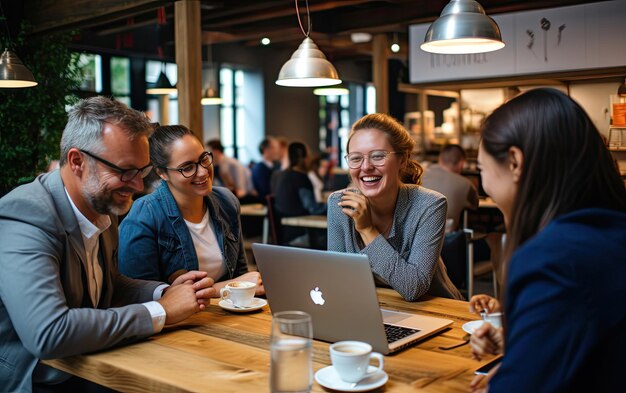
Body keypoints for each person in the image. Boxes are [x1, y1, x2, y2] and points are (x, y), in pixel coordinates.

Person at [0, 97, 214, 392]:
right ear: (77, 161)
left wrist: (165, 291)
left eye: (143, 171)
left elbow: (107, 284)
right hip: (38, 380)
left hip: (91, 366)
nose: (138, 185)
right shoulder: (26, 215)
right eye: (125, 171)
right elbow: (48, 333)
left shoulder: (102, 203)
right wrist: (161, 310)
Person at [468, 88, 626, 393]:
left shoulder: (552, 258)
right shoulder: (608, 234)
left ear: (514, 162)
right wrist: (522, 352)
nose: (485, 185)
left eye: (482, 170)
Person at [327, 113, 461, 302]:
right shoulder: (338, 204)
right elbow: (337, 278)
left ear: (403, 159)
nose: (366, 167)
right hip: (374, 308)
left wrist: (367, 229)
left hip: (435, 311)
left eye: (378, 156)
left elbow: (414, 288)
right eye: (356, 158)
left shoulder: (430, 205)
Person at [119, 125, 263, 296]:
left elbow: (240, 275)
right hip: (177, 321)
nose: (202, 172)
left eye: (203, 159)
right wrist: (223, 288)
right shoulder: (145, 214)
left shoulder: (226, 201)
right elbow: (138, 295)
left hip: (227, 317)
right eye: (187, 167)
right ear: (162, 173)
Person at [272, 142, 326, 247]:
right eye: (308, 155)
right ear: (302, 157)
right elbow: (313, 208)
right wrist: (334, 205)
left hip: (284, 233)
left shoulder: (279, 175)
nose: (309, 158)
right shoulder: (300, 178)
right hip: (299, 234)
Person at [421, 144, 478, 232]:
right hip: (448, 241)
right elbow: (475, 205)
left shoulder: (419, 175)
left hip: (416, 236)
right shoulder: (465, 184)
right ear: (461, 163)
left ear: (440, 158)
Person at [251, 137, 280, 202]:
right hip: (265, 204)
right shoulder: (259, 169)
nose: (276, 151)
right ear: (265, 150)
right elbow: (266, 191)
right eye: (273, 148)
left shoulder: (277, 165)